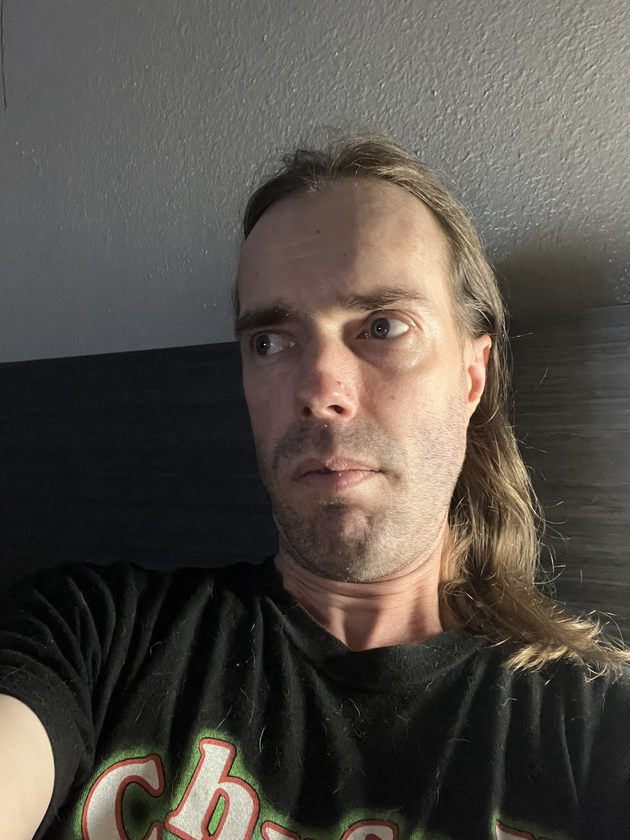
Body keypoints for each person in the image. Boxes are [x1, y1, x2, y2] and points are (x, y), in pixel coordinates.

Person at [1, 130, 629, 840]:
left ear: (471, 377)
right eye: (270, 342)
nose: (319, 389)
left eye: (383, 327)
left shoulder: (596, 727)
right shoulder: (94, 636)